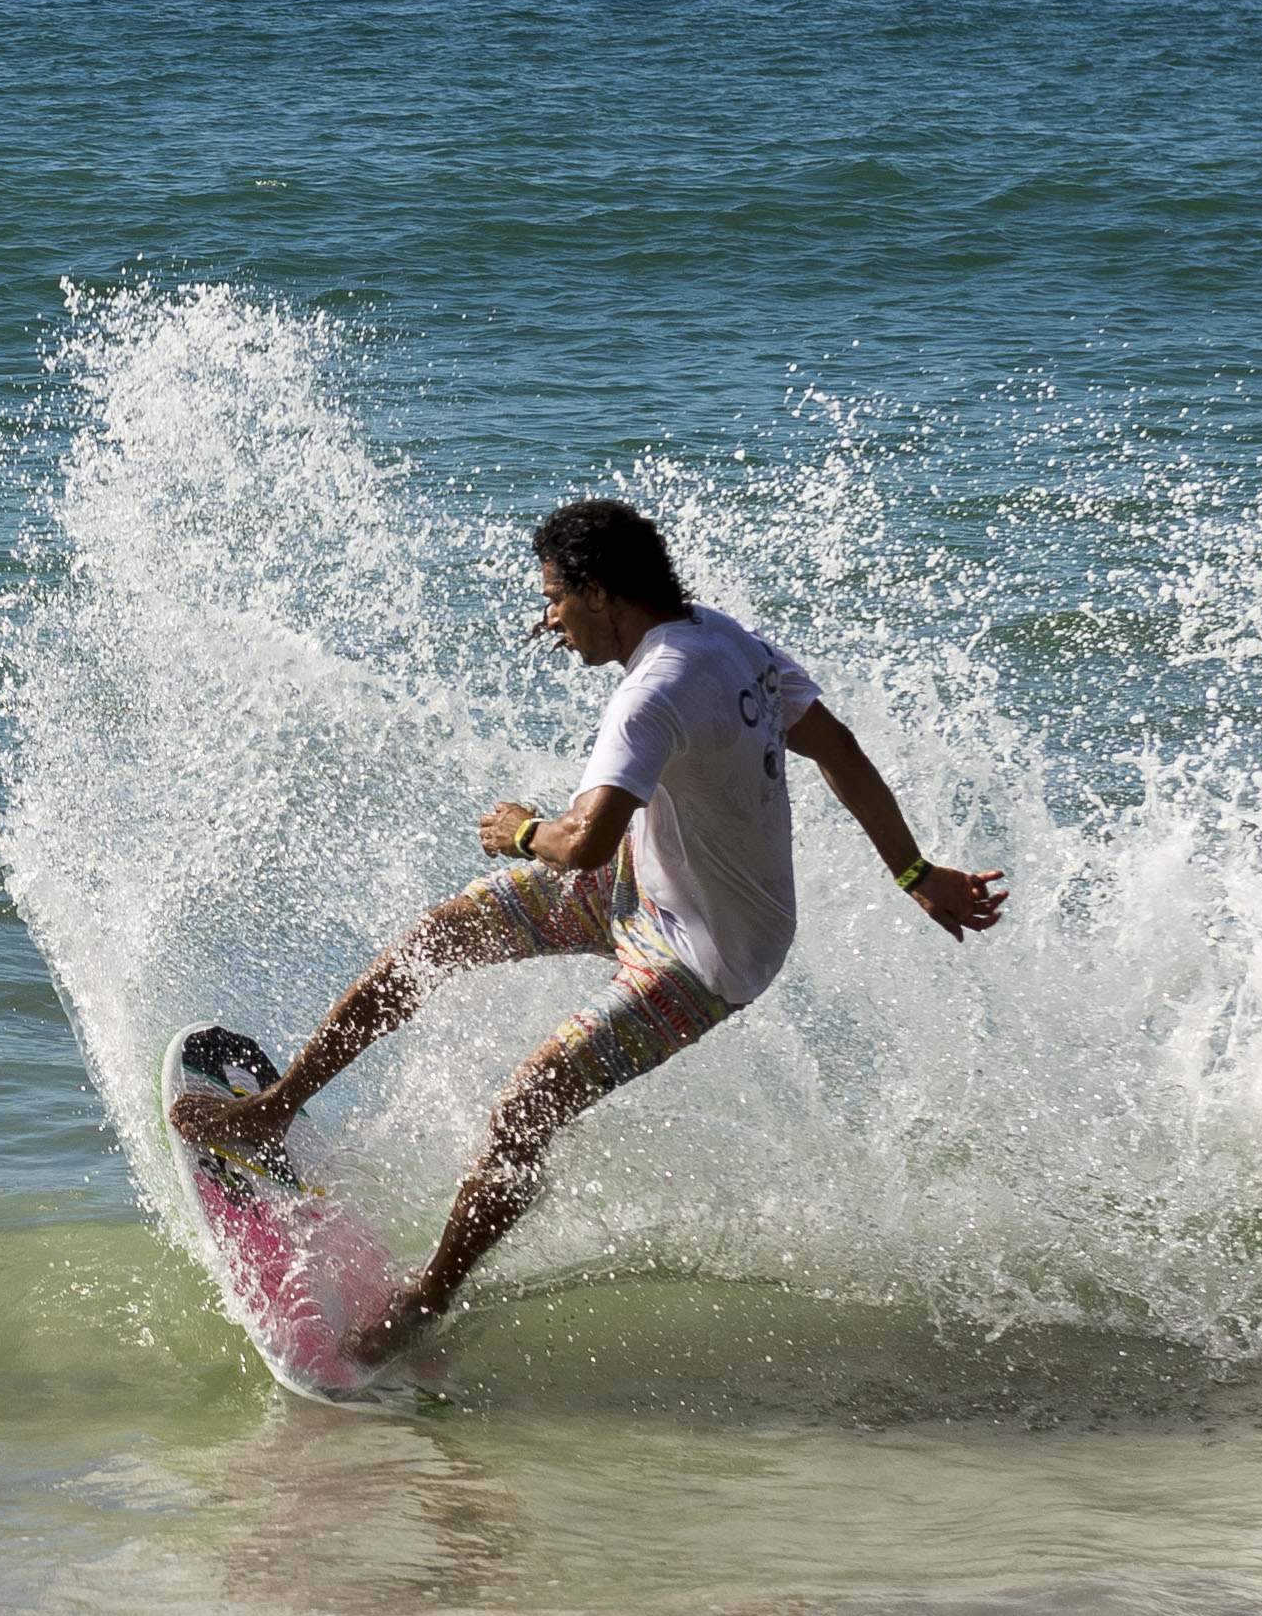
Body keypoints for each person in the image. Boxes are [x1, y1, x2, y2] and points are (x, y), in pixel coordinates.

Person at [167, 496, 1004, 1361]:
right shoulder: (724, 639)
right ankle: (273, 1110)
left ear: (598, 592)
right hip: (644, 878)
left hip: (703, 953)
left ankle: (423, 1305)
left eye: (553, 598)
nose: (549, 620)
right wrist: (915, 872)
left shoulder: (653, 691)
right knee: (437, 938)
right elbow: (837, 747)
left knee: (526, 1104)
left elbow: (581, 843)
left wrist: (519, 830)